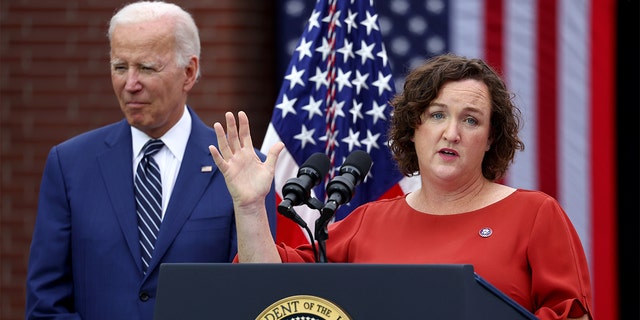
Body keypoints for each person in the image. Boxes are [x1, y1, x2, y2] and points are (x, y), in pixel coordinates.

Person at [208, 54, 593, 320]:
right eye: (437, 115)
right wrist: (250, 206)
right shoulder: (367, 222)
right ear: (413, 129)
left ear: (492, 138)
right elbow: (273, 289)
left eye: (471, 120)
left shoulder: (535, 215)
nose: (452, 133)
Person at [25, 1, 277, 319]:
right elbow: (46, 305)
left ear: (189, 72)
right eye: (119, 67)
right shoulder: (69, 165)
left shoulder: (241, 169)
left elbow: (258, 299)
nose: (130, 84)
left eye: (146, 68)